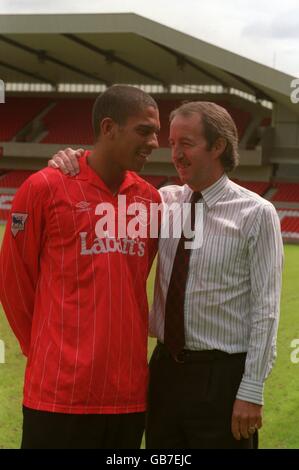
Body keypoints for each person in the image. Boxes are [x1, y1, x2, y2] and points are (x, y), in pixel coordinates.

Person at [48, 101, 283, 449]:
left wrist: (251, 390)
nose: (175, 154)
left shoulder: (256, 213)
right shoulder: (161, 203)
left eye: (185, 143)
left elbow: (266, 309)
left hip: (221, 377)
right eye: (172, 144)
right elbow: (104, 192)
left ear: (217, 146)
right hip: (163, 373)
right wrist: (73, 160)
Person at [0, 85, 161, 449]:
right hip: (58, 392)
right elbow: (13, 282)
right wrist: (47, 351)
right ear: (109, 128)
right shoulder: (43, 188)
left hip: (128, 396)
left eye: (156, 133)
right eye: (144, 131)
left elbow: (135, 280)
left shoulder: (150, 201)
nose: (154, 142)